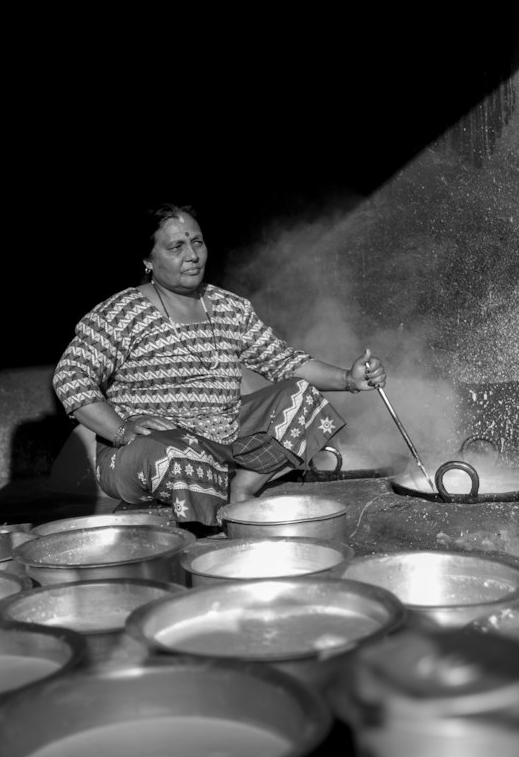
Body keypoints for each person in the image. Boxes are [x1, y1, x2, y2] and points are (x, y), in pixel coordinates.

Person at [52, 204, 387, 529]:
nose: (193, 255)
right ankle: (211, 523)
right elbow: (71, 377)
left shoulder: (229, 307)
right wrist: (121, 430)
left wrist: (349, 379)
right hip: (146, 451)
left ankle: (242, 488)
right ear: (148, 260)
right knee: (173, 454)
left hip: (224, 437)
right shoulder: (121, 314)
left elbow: (282, 361)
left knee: (302, 397)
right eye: (176, 247)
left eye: (197, 242)